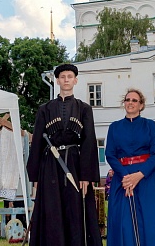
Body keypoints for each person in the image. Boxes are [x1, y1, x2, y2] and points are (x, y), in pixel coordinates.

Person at [27, 63, 102, 246]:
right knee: (52, 209)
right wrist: (35, 175)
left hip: (75, 165)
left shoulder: (84, 108)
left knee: (75, 208)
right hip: (50, 166)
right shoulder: (44, 109)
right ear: (57, 80)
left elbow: (89, 141)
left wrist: (87, 175)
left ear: (75, 80)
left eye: (70, 76)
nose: (66, 80)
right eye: (62, 77)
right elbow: (37, 141)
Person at [105, 89, 155, 246]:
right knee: (124, 221)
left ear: (141, 105)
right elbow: (110, 154)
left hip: (148, 177)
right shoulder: (114, 127)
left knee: (151, 220)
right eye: (127, 99)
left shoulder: (150, 125)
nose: (130, 102)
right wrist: (126, 177)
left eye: (134, 100)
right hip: (123, 178)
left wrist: (139, 174)